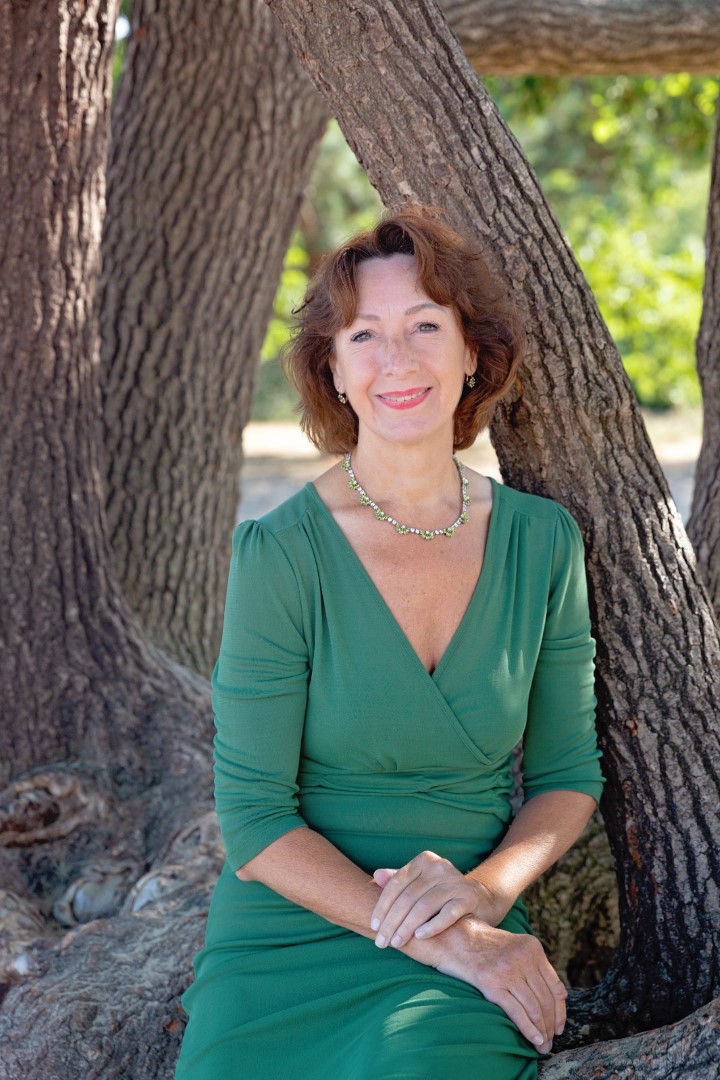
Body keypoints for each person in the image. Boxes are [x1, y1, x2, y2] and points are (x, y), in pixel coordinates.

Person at [175, 207, 605, 1080]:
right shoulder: (280, 554)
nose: (396, 360)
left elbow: (568, 776)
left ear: (473, 352)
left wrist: (481, 902)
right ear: (332, 369)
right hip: (290, 937)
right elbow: (253, 819)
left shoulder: (542, 541)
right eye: (364, 335)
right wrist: (447, 943)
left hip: (470, 917)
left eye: (424, 326)